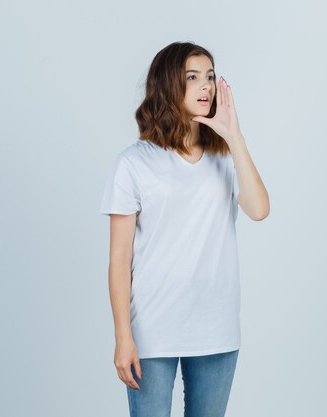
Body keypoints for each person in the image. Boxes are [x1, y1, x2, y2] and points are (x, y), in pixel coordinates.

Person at [99, 41, 270, 417]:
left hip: (216, 328)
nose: (206, 86)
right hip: (152, 330)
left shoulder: (226, 156)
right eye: (193, 77)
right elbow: (119, 260)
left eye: (209, 76)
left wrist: (234, 136)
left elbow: (258, 210)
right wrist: (123, 336)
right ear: (168, 86)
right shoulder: (134, 163)